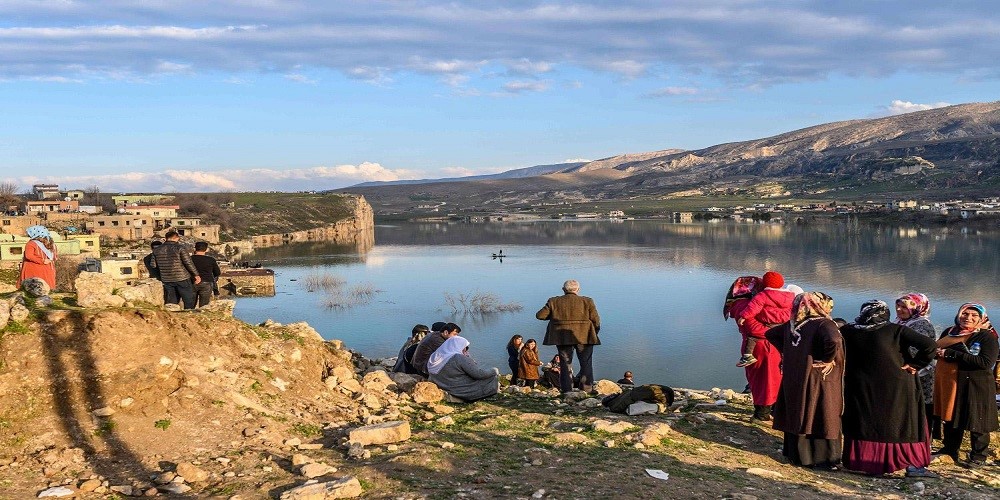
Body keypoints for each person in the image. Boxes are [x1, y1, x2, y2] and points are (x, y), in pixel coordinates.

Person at [840, 300, 938, 477]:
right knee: (901, 422)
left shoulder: (848, 330)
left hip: (861, 385)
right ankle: (910, 464)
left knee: (865, 421)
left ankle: (866, 462)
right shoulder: (895, 330)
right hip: (896, 385)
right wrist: (916, 364)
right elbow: (930, 345)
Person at [766, 291, 844, 470]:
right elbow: (834, 339)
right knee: (820, 411)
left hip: (795, 375)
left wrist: (787, 352)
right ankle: (823, 459)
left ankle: (797, 455)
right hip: (818, 377)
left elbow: (771, 334)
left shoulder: (793, 324)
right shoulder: (824, 323)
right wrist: (827, 359)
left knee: (799, 409)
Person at [932, 303, 999, 468]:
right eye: (965, 314)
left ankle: (978, 456)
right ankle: (950, 450)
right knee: (952, 417)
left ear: (981, 318)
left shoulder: (987, 337)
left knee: (978, 420)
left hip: (977, 384)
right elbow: (937, 350)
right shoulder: (950, 332)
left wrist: (950, 353)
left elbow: (985, 362)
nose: (968, 318)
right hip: (953, 383)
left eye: (974, 315)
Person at [725, 275, 782, 421]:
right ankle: (762, 414)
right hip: (761, 347)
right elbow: (752, 328)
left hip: (765, 345)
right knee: (764, 380)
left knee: (771, 379)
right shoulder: (742, 305)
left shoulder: (751, 303)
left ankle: (773, 411)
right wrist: (779, 331)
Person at [537, 279, 601, 393]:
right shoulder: (587, 301)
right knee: (586, 363)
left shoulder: (554, 301)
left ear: (563, 289)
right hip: (584, 336)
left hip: (562, 337)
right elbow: (596, 320)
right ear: (578, 289)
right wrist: (595, 332)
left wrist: (554, 315)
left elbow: (540, 315)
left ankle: (567, 390)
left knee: (565, 364)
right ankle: (587, 389)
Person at [894, 293, 940, 439]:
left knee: (921, 407)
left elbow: (916, 350)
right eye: (899, 306)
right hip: (903, 372)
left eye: (904, 307)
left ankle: (923, 441)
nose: (899, 310)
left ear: (918, 308)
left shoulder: (922, 325)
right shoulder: (900, 322)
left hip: (920, 374)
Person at [736, 271, 795, 367]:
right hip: (783, 324)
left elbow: (753, 307)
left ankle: (748, 356)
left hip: (768, 323)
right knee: (782, 343)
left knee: (751, 338)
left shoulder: (763, 295)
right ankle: (784, 361)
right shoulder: (790, 295)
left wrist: (744, 316)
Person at [427, 336, 499, 402]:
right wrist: (494, 370)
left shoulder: (434, 357)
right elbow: (478, 374)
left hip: (445, 387)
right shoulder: (458, 358)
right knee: (492, 377)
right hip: (463, 391)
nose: (466, 349)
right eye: (465, 347)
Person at [151, 230, 200, 309]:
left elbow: (153, 265)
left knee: (171, 301)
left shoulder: (156, 250)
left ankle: (173, 315)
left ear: (166, 238)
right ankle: (188, 314)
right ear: (177, 238)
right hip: (182, 277)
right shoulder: (180, 248)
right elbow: (188, 263)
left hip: (166, 278)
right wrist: (196, 275)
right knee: (188, 299)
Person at [18, 225, 57, 290]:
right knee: (47, 288)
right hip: (48, 269)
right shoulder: (52, 244)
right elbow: (55, 257)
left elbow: (29, 256)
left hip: (33, 269)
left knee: (32, 290)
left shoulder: (31, 244)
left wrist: (42, 260)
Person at [190, 241, 221, 308]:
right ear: (206, 249)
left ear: (195, 248)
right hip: (207, 282)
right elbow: (217, 272)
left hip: (192, 282)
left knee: (190, 305)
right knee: (204, 306)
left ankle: (190, 316)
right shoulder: (211, 260)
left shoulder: (190, 259)